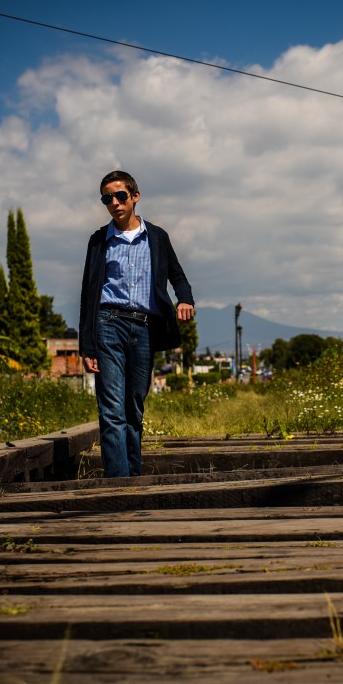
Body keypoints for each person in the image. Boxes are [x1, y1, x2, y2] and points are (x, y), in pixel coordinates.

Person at [79, 170, 195, 477]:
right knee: (112, 408)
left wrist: (185, 300)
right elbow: (88, 294)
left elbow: (178, 276)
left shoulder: (157, 237)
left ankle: (133, 475)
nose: (114, 203)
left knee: (134, 406)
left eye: (120, 196)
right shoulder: (99, 241)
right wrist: (86, 346)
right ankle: (119, 484)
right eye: (107, 199)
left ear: (135, 196)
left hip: (144, 328)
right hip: (108, 323)